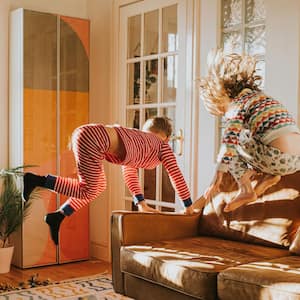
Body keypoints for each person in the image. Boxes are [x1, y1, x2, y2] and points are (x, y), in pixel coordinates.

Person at [23, 117, 194, 245]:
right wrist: (188, 205)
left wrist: (140, 202)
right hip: (94, 138)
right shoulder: (161, 145)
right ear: (167, 138)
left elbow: (129, 173)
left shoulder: (138, 139)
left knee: (98, 186)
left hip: (88, 134)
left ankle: (58, 216)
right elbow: (175, 175)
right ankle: (36, 180)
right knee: (88, 189)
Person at [198, 49, 300, 212]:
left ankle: (246, 189)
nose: (225, 115)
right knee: (255, 135)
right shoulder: (260, 98)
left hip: (274, 157)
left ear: (222, 94)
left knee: (235, 139)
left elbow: (229, 141)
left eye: (222, 110)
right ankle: (270, 176)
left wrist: (218, 174)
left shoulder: (237, 105)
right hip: (296, 161)